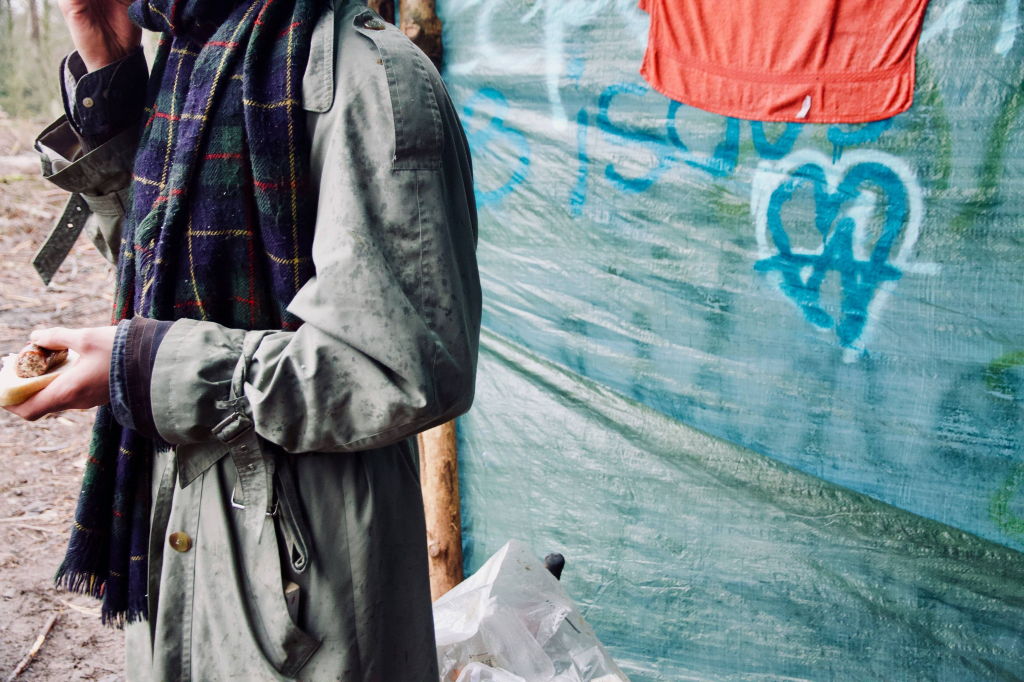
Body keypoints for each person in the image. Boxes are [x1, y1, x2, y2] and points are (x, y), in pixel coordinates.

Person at [5, 0, 480, 678]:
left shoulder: (370, 79)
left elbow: (406, 368)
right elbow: (168, 278)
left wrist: (153, 368)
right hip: (178, 534)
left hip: (304, 582)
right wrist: (110, 79)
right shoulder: (191, 53)